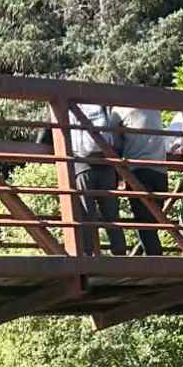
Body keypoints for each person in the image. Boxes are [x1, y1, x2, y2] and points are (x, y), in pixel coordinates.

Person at [64, 100, 126, 255]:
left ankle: (87, 254)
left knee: (86, 212)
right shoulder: (103, 107)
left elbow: (48, 134)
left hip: (83, 166)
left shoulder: (67, 107)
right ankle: (120, 253)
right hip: (107, 166)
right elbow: (116, 141)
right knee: (111, 213)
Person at [114, 105, 169, 255]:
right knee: (153, 220)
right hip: (161, 171)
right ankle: (153, 258)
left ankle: (155, 261)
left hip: (137, 171)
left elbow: (113, 143)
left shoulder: (119, 111)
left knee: (144, 222)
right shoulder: (154, 108)